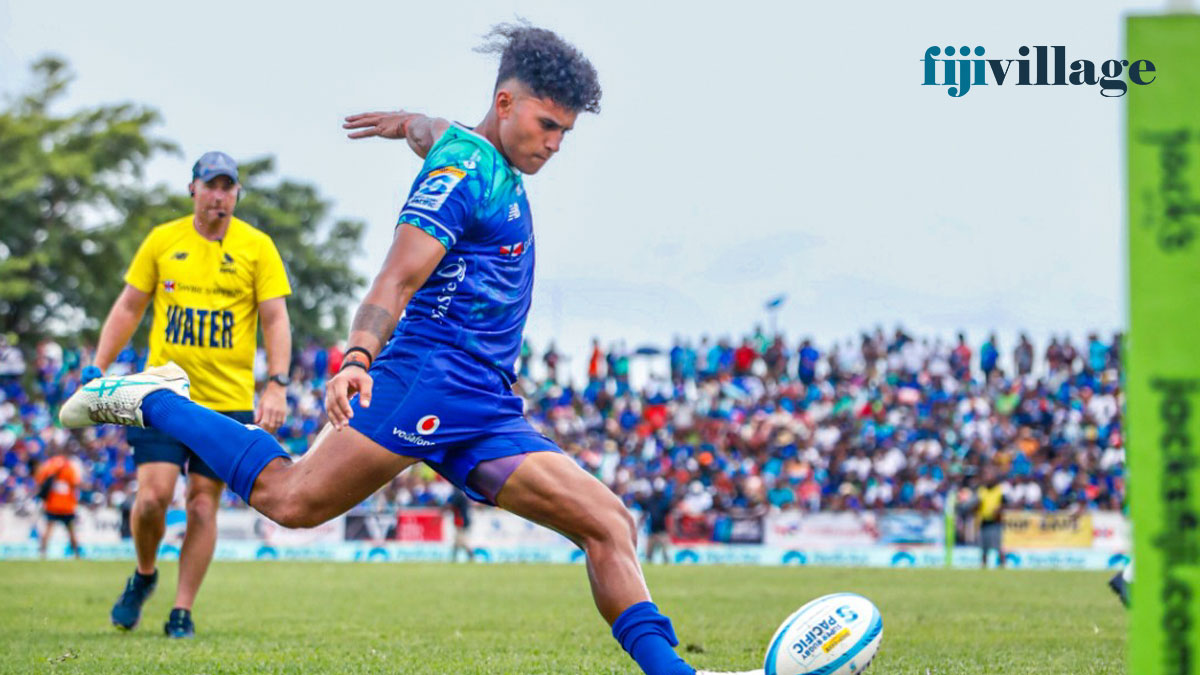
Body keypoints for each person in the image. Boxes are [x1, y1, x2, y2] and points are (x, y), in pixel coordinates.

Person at [63, 22, 757, 675]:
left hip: (484, 402)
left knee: (608, 522)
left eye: (565, 133)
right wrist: (357, 358)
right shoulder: (460, 174)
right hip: (427, 378)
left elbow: (434, 130)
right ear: (505, 103)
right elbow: (395, 277)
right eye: (547, 125)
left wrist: (407, 124)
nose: (554, 144)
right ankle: (155, 400)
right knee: (291, 499)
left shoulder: (468, 146)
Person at [84, 151, 293, 637]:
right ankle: (144, 574)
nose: (219, 195)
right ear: (193, 189)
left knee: (202, 504)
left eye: (227, 186)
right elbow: (129, 306)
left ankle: (182, 609)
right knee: (152, 499)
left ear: (237, 193)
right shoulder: (163, 240)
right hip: (162, 395)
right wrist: (98, 366)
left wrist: (277, 383)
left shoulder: (257, 247)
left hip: (225, 402)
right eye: (210, 185)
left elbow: (275, 318)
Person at [35, 450, 82, 559]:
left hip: (52, 504)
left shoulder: (48, 466)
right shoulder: (69, 467)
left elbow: (40, 481)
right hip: (67, 506)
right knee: (71, 531)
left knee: (48, 529)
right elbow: (75, 483)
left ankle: (42, 553)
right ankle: (77, 554)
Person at [976, 469, 1006, 569]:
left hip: (996, 522)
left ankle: (1003, 564)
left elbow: (1005, 503)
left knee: (998, 545)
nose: (987, 479)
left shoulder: (999, 490)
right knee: (984, 546)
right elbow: (978, 503)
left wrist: (999, 509)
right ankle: (984, 565)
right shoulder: (982, 490)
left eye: (989, 477)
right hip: (984, 521)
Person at [445, 488, 475, 562]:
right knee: (458, 540)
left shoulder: (457, 495)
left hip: (461, 521)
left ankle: (470, 555)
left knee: (461, 540)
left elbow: (450, 505)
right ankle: (454, 558)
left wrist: (442, 509)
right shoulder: (460, 494)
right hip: (461, 520)